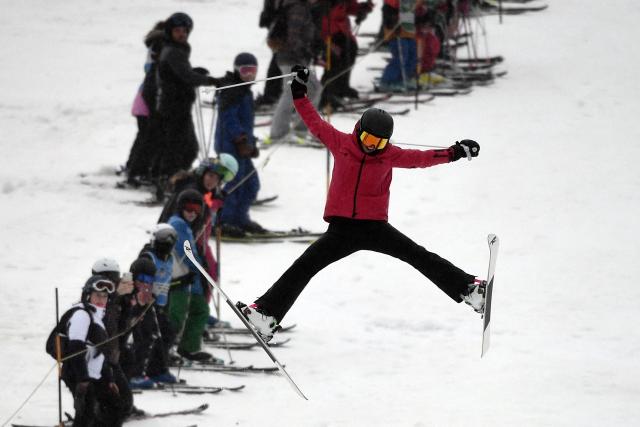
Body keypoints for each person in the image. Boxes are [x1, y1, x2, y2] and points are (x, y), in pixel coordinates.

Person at [237, 65, 485, 342]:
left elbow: (422, 159)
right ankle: (266, 314)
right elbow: (313, 121)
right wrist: (298, 91)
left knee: (418, 255)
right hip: (342, 229)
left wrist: (455, 152)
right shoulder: (342, 143)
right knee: (303, 267)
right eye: (368, 138)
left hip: (374, 227)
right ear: (358, 131)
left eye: (379, 142)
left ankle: (470, 290)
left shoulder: (390, 155)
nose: (371, 146)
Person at [149, 12, 218, 183]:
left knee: (186, 148)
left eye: (185, 31)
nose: (182, 34)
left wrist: (195, 72)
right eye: (178, 30)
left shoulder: (176, 49)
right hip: (173, 108)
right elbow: (185, 76)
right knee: (180, 148)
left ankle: (170, 178)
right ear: (170, 31)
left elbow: (180, 74)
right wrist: (211, 80)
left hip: (178, 106)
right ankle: (169, 180)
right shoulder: (173, 51)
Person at [60, 275, 126, 426]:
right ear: (88, 295)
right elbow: (75, 349)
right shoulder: (81, 315)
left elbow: (101, 353)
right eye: (97, 295)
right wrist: (82, 380)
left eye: (105, 296)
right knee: (87, 414)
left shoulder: (96, 315)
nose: (101, 300)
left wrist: (109, 379)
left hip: (94, 374)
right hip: (78, 373)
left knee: (114, 407)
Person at [213, 53, 265, 236]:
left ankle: (240, 218)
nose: (249, 75)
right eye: (245, 71)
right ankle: (224, 221)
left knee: (251, 184)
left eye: (253, 71)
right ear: (236, 70)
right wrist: (241, 140)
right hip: (229, 147)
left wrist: (250, 143)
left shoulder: (244, 90)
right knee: (233, 185)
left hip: (242, 147)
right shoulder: (232, 90)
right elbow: (230, 118)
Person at [167, 189, 221, 362]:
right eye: (188, 208)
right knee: (176, 315)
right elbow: (186, 251)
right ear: (181, 207)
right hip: (180, 277)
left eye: (197, 209)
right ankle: (163, 350)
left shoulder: (187, 225)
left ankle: (188, 348)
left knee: (200, 310)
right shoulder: (178, 224)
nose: (192, 213)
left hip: (191, 279)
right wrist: (200, 268)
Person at [268, 0, 323, 142]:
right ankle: (279, 132)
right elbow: (293, 37)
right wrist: (307, 52)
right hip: (291, 58)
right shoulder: (298, 8)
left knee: (312, 88)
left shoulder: (303, 8)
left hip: (293, 58)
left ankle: (300, 129)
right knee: (293, 92)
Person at [90, 258, 136, 416]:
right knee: (120, 405)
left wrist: (127, 302)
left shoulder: (115, 299)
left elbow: (122, 329)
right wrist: (116, 296)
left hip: (112, 356)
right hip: (96, 360)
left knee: (126, 403)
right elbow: (104, 321)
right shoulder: (95, 300)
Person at [137, 223, 179, 383]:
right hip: (147, 305)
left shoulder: (169, 258)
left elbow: (166, 282)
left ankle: (157, 369)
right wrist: (148, 296)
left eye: (171, 238)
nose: (168, 242)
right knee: (153, 336)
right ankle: (146, 371)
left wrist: (181, 282)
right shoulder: (148, 257)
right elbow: (140, 280)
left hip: (161, 305)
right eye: (163, 237)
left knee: (166, 334)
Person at [125, 21, 166, 185]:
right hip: (147, 103)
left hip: (142, 102)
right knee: (149, 139)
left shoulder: (154, 45)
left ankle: (134, 168)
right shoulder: (159, 45)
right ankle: (139, 171)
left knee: (144, 138)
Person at [318, 0, 373, 108]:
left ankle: (342, 87)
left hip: (341, 29)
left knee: (350, 51)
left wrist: (360, 9)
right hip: (327, 29)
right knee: (335, 60)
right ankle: (326, 94)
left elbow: (349, 6)